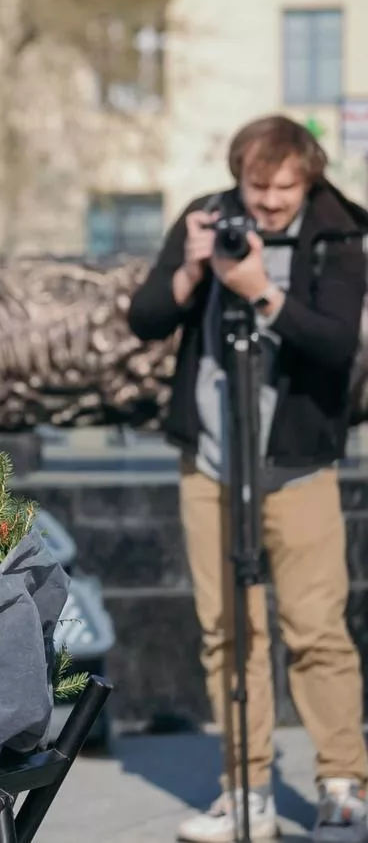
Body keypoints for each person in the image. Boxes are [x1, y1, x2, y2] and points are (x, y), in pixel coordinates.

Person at [127, 114, 368, 843]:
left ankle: (342, 782)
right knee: (228, 628)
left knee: (317, 626)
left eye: (282, 189)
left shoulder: (342, 233)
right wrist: (195, 268)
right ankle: (246, 790)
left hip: (296, 462)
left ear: (311, 176)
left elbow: (334, 343)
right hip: (211, 462)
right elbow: (145, 317)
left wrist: (261, 289)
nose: (265, 204)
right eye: (254, 187)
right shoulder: (208, 217)